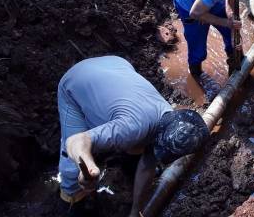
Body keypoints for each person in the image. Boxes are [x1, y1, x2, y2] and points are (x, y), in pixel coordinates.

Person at [57, 56, 209, 217]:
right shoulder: (130, 129)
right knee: (72, 170)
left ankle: (129, 166)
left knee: (139, 143)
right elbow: (76, 141)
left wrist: (135, 211)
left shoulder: (168, 115)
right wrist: (88, 166)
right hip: (75, 83)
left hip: (115, 65)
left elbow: (149, 161)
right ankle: (71, 204)